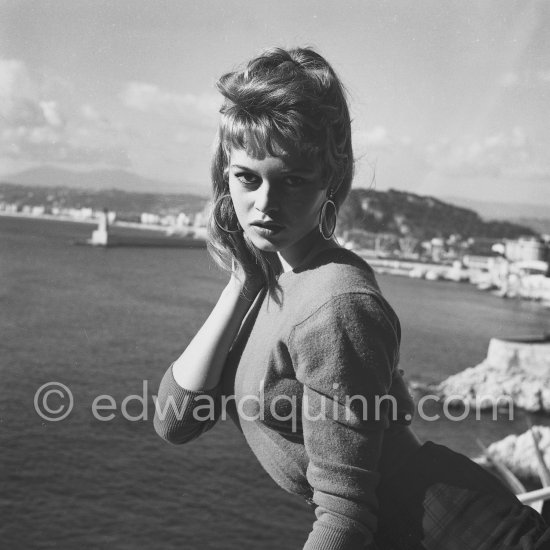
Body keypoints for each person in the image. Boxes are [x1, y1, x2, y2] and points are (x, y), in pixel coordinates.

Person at [153, 47, 550, 550]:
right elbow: (175, 419)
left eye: (293, 180)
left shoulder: (335, 302)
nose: (265, 204)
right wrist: (242, 280)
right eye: (246, 177)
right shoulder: (274, 276)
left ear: (329, 186)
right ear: (225, 176)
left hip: (457, 535)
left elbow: (345, 517)